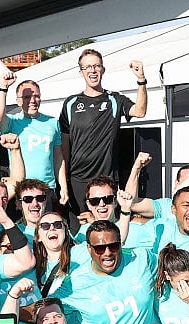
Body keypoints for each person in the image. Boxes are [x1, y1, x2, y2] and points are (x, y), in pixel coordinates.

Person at [52, 221, 156, 324]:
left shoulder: (141, 258)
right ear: (89, 248)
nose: (107, 252)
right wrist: (13, 299)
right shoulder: (73, 284)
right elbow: (44, 310)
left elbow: (170, 272)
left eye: (113, 246)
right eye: (100, 248)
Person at [59, 49, 147, 214]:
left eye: (96, 66)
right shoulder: (70, 103)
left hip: (107, 180)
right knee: (81, 229)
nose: (92, 70)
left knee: (107, 228)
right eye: (88, 67)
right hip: (77, 180)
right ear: (81, 72)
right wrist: (64, 183)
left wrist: (141, 80)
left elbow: (140, 111)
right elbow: (64, 149)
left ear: (103, 69)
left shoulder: (115, 99)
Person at [0, 72, 65, 201]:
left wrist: (63, 187)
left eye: (36, 96)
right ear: (18, 101)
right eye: (27, 97)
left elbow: (58, 158)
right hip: (20, 188)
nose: (32, 100)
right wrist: (3, 88)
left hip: (47, 188)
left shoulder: (53, 122)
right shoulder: (13, 122)